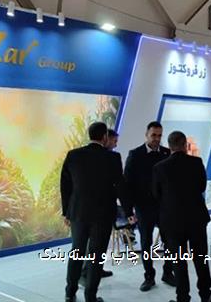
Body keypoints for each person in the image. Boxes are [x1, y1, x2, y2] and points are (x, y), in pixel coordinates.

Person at [61, 122, 132, 302]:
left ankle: (70, 293)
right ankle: (90, 296)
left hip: (78, 213)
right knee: (96, 255)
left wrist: (66, 212)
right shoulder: (112, 158)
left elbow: (65, 185)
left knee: (77, 252)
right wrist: (129, 211)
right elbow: (120, 186)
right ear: (105, 137)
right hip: (103, 215)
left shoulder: (73, 155)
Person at [153, 131, 211, 302]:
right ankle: (206, 295)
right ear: (185, 145)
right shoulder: (196, 163)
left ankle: (183, 297)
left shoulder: (159, 167)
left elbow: (156, 194)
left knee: (179, 261)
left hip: (173, 222)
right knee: (200, 258)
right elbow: (202, 187)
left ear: (169, 146)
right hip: (196, 219)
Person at [124, 121, 175, 291]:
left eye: (159, 135)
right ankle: (149, 276)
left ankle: (168, 272)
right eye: (153, 135)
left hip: (164, 206)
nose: (156, 139)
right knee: (146, 243)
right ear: (146, 134)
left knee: (170, 241)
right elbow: (127, 183)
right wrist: (129, 210)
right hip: (143, 207)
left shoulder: (167, 153)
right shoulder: (135, 154)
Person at [80, 129, 120, 284]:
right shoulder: (100, 158)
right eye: (114, 141)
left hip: (103, 210)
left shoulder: (110, 158)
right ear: (106, 139)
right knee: (93, 244)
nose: (116, 144)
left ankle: (97, 269)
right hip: (95, 210)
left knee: (100, 244)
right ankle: (86, 273)